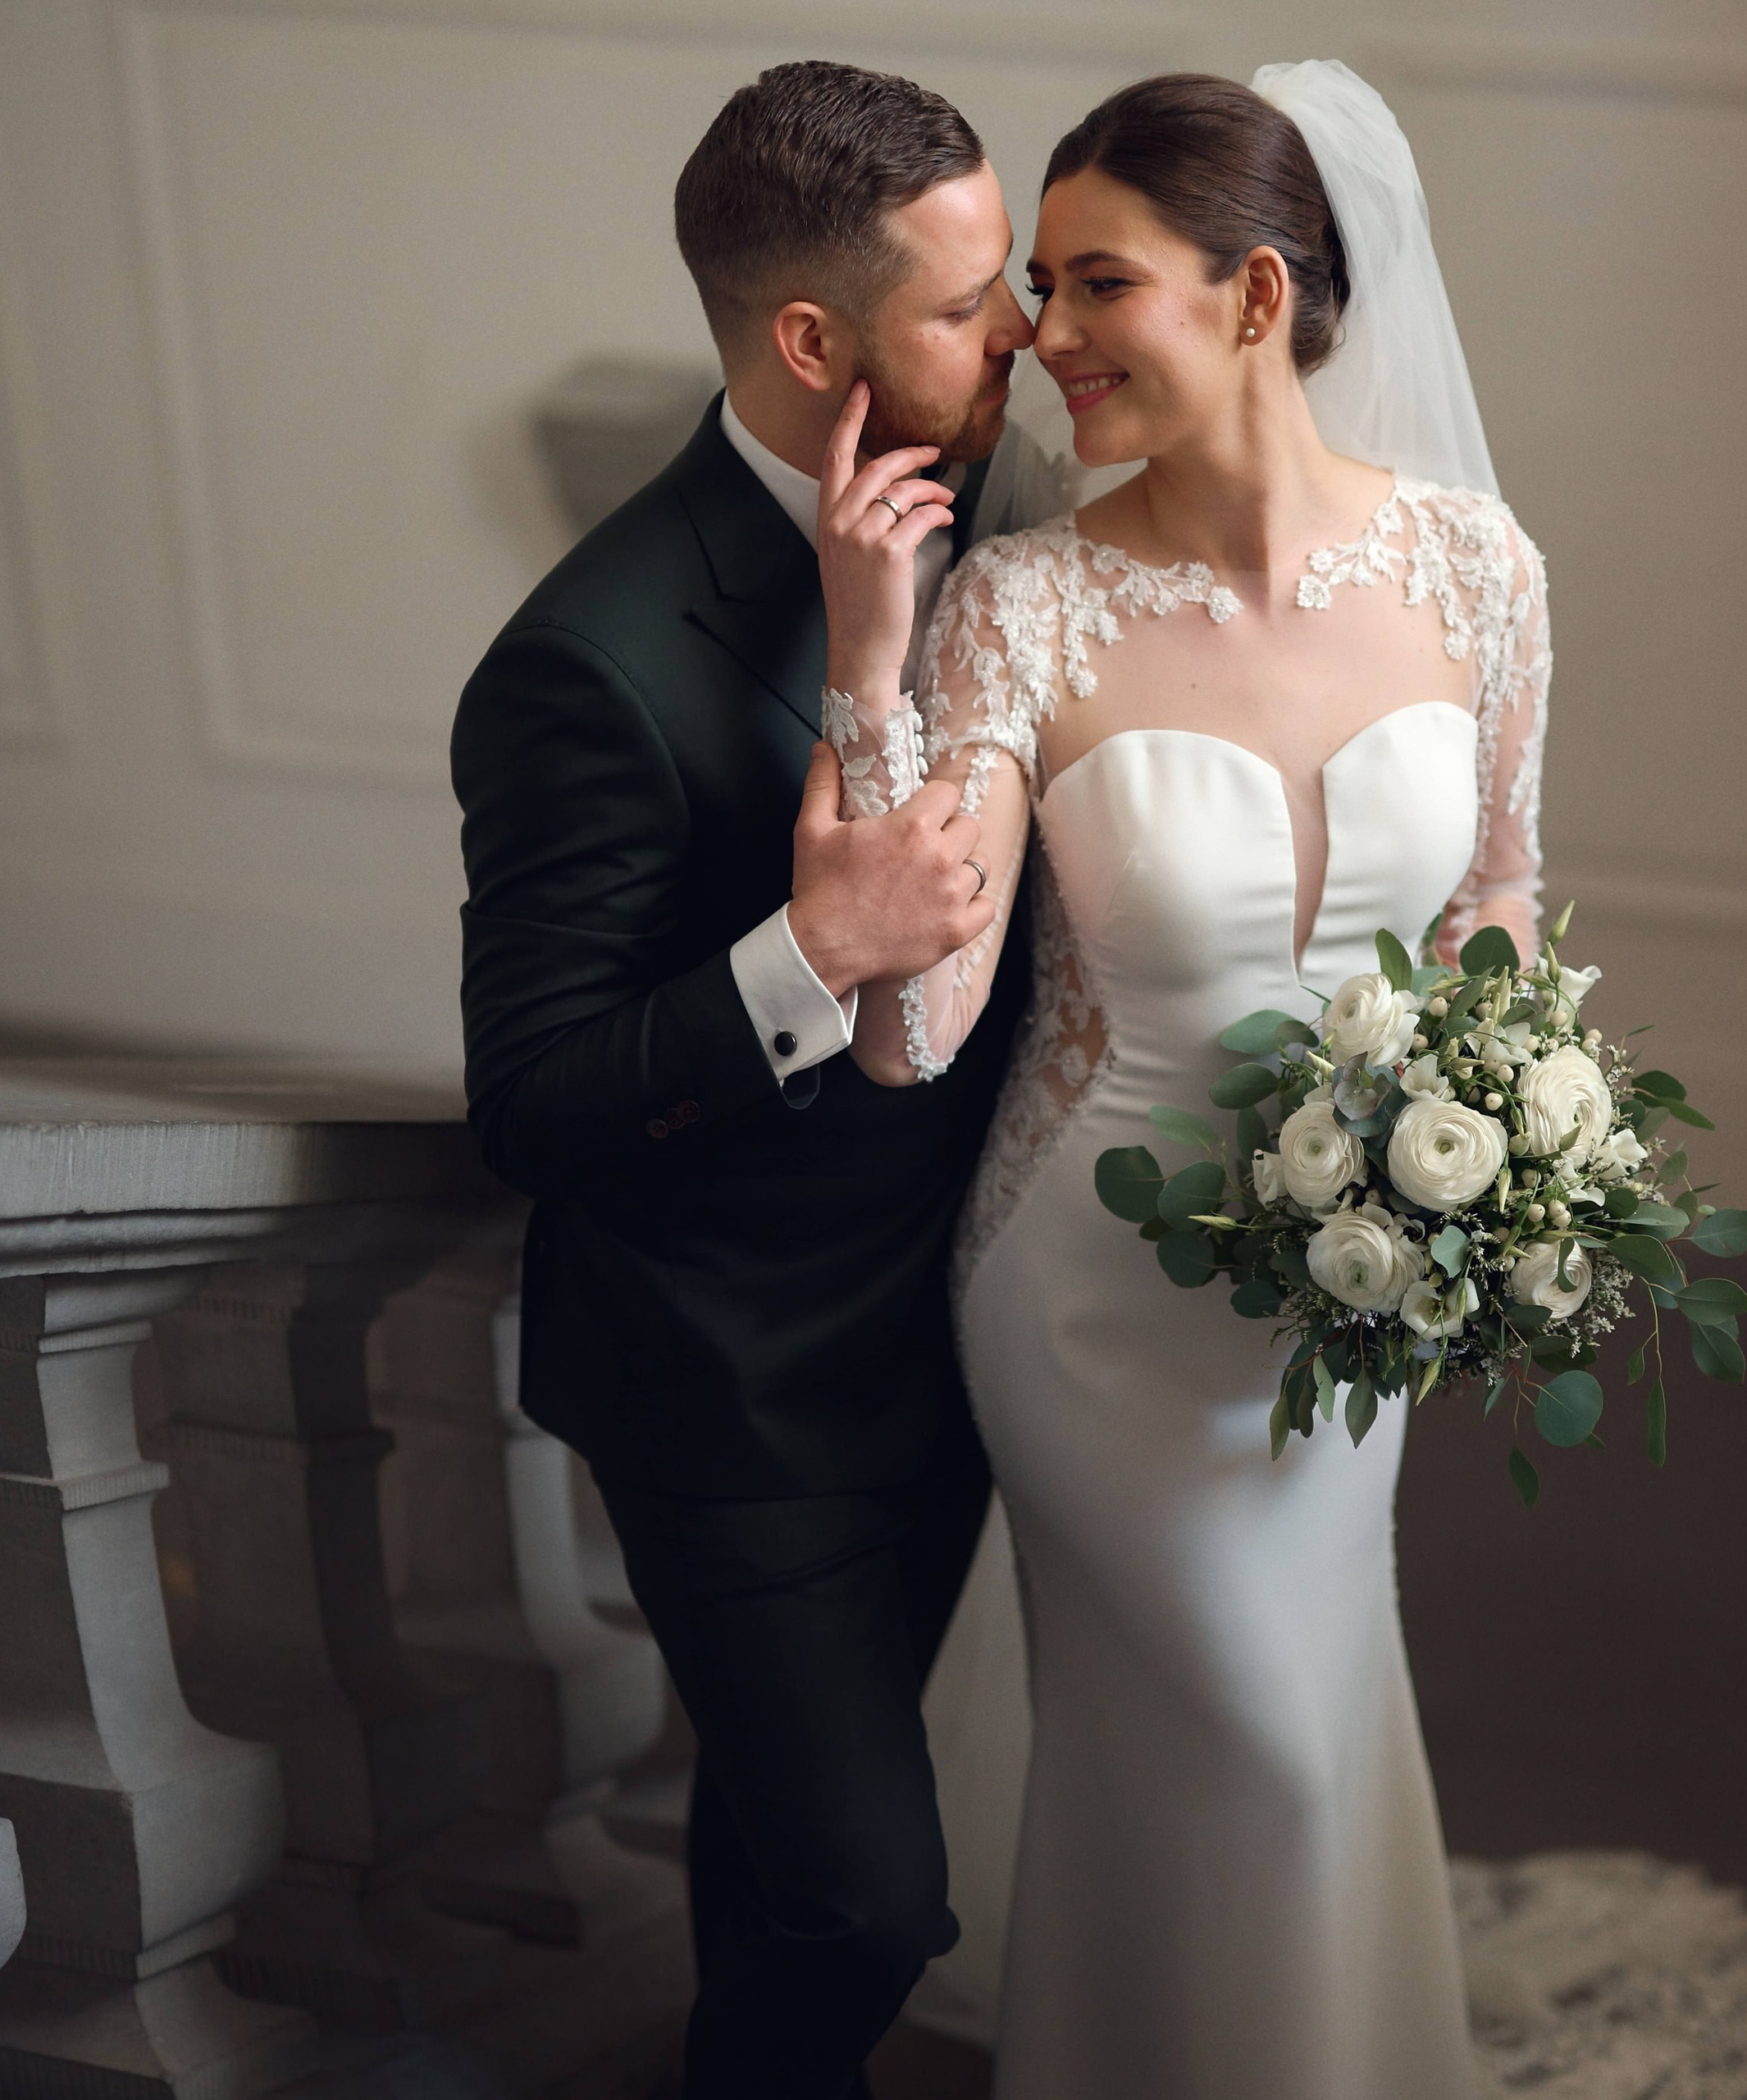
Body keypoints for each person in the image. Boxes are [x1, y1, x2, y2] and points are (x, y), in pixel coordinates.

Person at [819, 62, 1548, 2097]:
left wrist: (1484, 1143)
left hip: (1354, 1287)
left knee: (1294, 1717)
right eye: (1034, 287)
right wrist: (871, 676)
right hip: (1094, 1299)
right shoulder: (1020, 605)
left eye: (1094, 282)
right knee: (1250, 1729)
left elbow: (1494, 886)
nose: (1039, 335)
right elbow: (914, 1032)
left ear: (1254, 295)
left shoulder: (1479, 571)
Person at [450, 61, 1071, 2100]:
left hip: (948, 1338)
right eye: (967, 303)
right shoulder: (590, 661)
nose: (1021, 330)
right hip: (734, 1390)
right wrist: (814, 950)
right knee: (868, 1901)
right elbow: (532, 1098)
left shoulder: (1013, 505)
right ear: (812, 343)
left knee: (777, 1848)